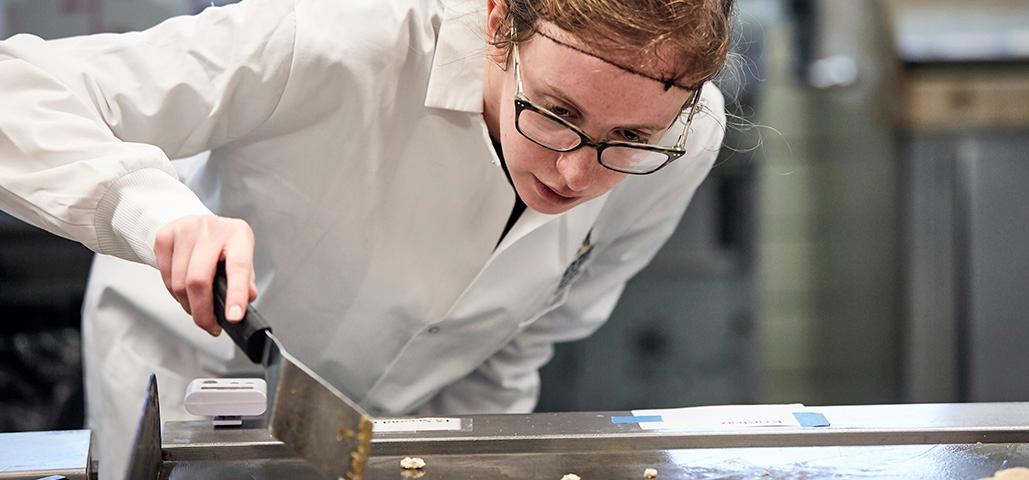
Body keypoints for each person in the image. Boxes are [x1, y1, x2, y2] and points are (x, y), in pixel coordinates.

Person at [0, 0, 731, 475]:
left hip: (397, 430)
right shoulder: (338, 33)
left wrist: (473, 460)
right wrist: (153, 210)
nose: (574, 172)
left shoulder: (684, 144)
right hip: (198, 381)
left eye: (629, 137)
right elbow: (20, 91)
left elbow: (525, 336)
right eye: (555, 110)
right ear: (500, 20)